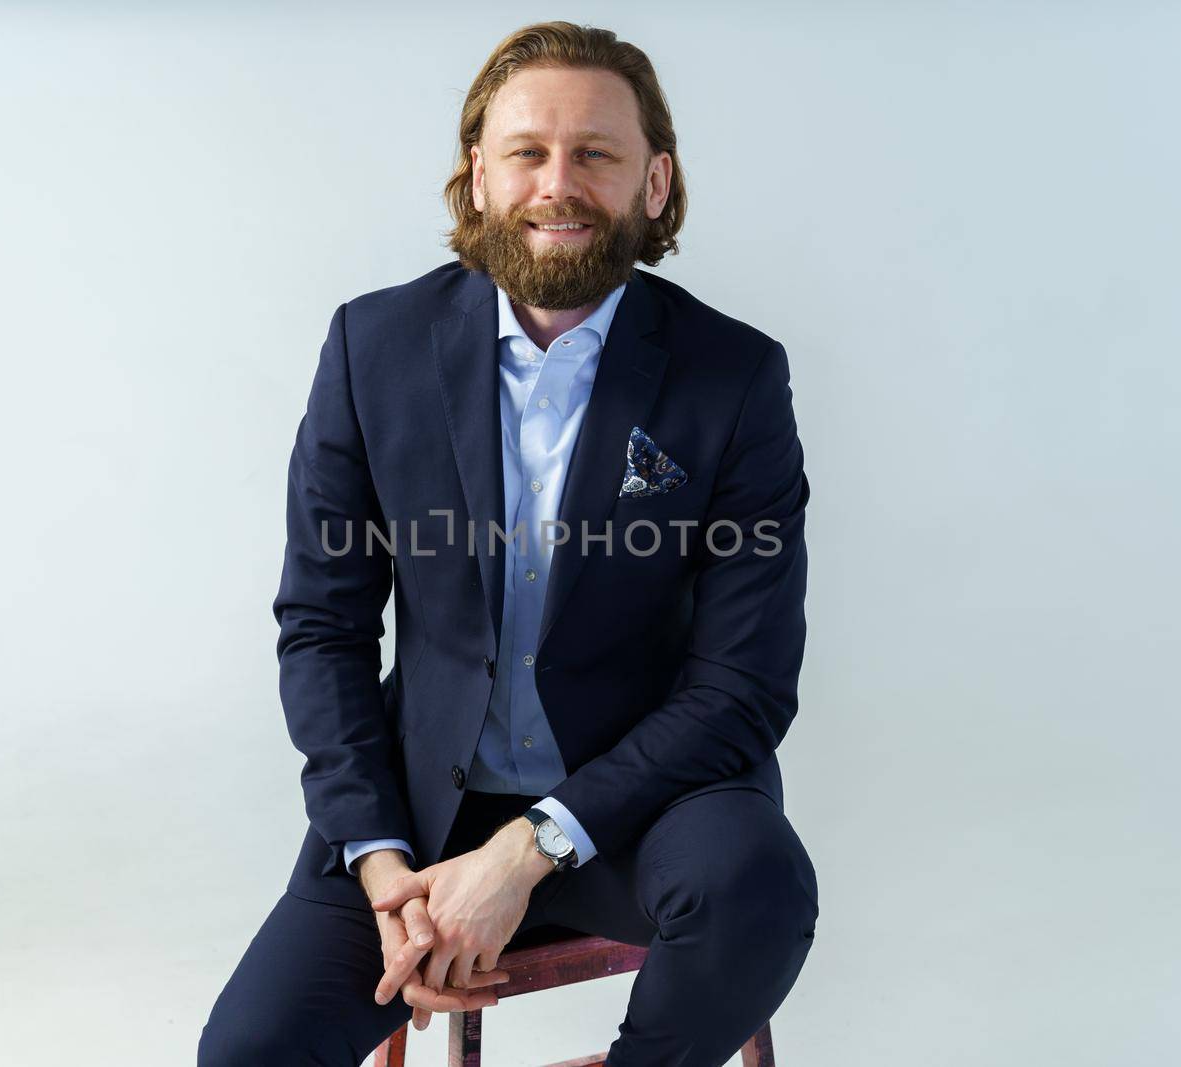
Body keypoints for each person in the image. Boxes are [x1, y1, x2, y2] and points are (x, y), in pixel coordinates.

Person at [199, 20, 818, 1067]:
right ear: (476, 176)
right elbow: (323, 626)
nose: (558, 184)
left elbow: (742, 686)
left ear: (654, 182)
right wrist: (383, 861)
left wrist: (524, 853)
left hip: (639, 807)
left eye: (597, 154)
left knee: (754, 881)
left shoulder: (734, 375)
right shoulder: (370, 347)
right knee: (248, 1051)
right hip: (421, 809)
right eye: (527, 151)